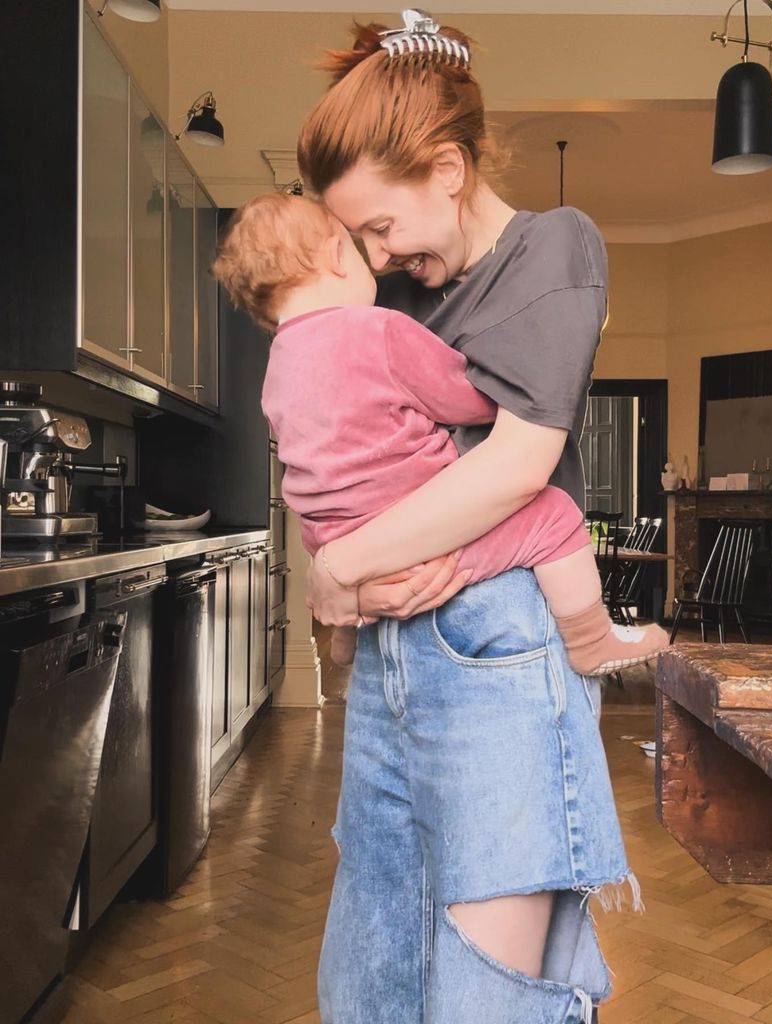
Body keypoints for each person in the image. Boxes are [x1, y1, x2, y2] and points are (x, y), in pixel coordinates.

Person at [291, 12, 642, 1023]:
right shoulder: (397, 303)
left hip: (501, 667)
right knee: (367, 989)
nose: (374, 252)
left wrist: (337, 568)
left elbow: (518, 465)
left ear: (446, 170)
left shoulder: (553, 248)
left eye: (379, 226)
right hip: (396, 677)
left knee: (484, 1005)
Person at [213, 191, 668, 677]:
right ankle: (593, 638)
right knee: (554, 516)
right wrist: (505, 384)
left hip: (332, 539)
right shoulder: (379, 330)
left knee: (327, 497)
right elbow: (463, 399)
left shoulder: (278, 365)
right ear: (336, 255)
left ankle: (345, 634)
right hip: (417, 536)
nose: (378, 257)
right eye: (360, 239)